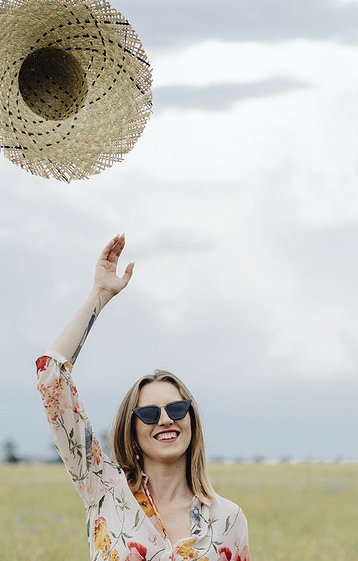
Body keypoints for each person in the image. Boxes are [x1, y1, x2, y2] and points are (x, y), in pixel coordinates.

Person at [36, 234, 250, 561]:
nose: (165, 419)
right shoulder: (104, 490)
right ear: (132, 430)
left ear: (192, 420)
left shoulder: (228, 519)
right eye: (149, 414)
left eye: (177, 408)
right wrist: (100, 294)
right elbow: (51, 377)